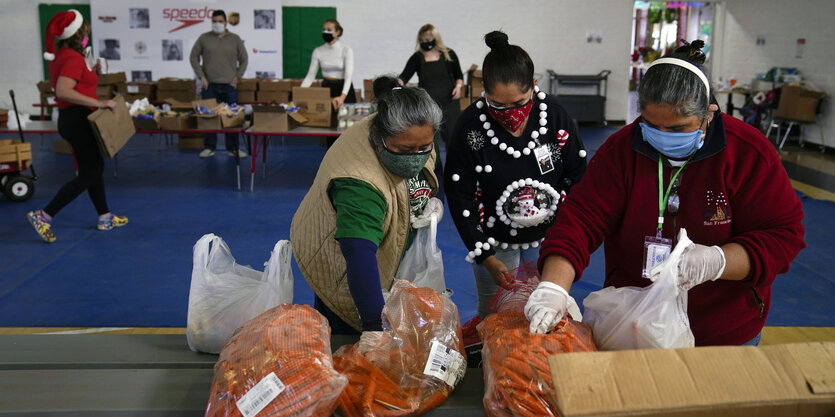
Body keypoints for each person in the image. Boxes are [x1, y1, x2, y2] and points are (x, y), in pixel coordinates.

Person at [525, 40, 806, 345]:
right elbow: (580, 221)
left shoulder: (748, 154)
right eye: (650, 124)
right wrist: (553, 288)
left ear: (709, 114)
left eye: (677, 128)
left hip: (725, 331)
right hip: (636, 326)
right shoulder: (622, 151)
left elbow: (783, 235)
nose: (661, 136)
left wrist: (717, 261)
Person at [445, 31, 587, 320]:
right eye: (498, 105)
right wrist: (484, 254)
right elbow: (460, 193)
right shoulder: (470, 127)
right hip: (494, 242)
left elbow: (576, 175)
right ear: (483, 90)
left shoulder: (555, 116)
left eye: (520, 102)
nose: (510, 113)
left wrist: (565, 237)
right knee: (495, 312)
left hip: (548, 238)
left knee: (545, 310)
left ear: (534, 86)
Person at [290, 76, 444, 334]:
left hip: (385, 249)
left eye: (423, 147)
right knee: (347, 337)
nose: (415, 158)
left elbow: (432, 167)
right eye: (404, 150)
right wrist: (373, 327)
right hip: (340, 263)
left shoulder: (421, 131)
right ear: (378, 137)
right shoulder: (359, 182)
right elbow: (358, 254)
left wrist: (436, 199)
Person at [27, 9, 127, 243]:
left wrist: (93, 70)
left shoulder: (66, 55)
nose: (87, 33)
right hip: (77, 119)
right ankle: (44, 215)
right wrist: (99, 101)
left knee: (92, 168)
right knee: (91, 171)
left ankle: (105, 216)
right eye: (85, 30)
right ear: (80, 31)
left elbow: (77, 81)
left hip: (73, 118)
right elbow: (63, 90)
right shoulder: (72, 58)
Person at [189, 9, 248, 158]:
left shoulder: (234, 39)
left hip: (230, 85)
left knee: (232, 118)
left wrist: (238, 77)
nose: (217, 24)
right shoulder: (204, 38)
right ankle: (209, 147)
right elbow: (193, 57)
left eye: (220, 21)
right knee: (208, 118)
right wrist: (201, 76)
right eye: (214, 21)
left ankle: (233, 148)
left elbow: (244, 59)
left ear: (226, 23)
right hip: (209, 85)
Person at [398, 24, 464, 145]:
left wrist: (458, 87)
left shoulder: (448, 54)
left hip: (449, 102)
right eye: (421, 41)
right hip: (428, 105)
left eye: (427, 40)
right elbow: (404, 77)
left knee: (452, 139)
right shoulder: (417, 58)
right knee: (429, 141)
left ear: (435, 38)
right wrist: (396, 85)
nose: (424, 43)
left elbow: (459, 76)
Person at [301, 19, 355, 109]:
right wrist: (300, 93)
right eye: (324, 29)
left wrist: (342, 97)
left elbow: (348, 77)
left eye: (329, 30)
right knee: (327, 119)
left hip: (344, 89)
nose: (325, 32)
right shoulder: (318, 51)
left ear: (337, 32)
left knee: (346, 120)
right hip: (327, 88)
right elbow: (310, 76)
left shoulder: (346, 50)